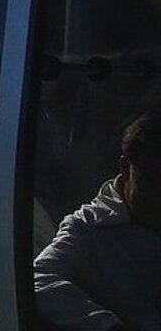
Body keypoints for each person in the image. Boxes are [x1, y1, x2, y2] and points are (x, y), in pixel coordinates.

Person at [34, 110, 161, 331]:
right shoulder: (87, 230)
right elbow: (38, 279)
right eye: (150, 183)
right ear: (125, 168)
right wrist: (107, 325)